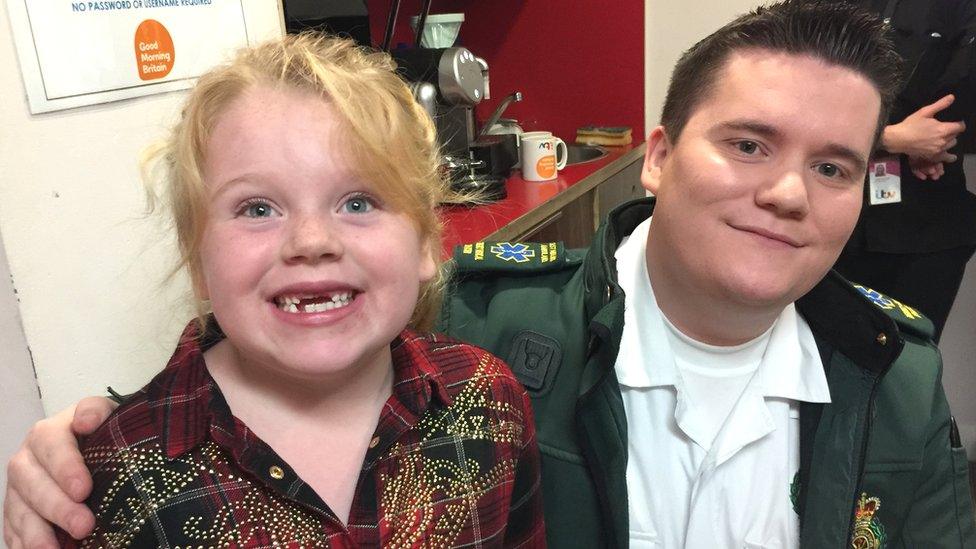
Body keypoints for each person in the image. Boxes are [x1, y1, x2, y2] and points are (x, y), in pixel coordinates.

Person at [5, 2, 976, 548]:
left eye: (834, 166)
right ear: (657, 154)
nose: (788, 195)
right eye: (749, 143)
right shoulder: (497, 325)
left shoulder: (894, 373)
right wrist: (87, 446)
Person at [5, 33, 545, 548]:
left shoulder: (489, 399)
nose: (311, 241)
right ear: (198, 259)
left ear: (426, 241)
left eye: (358, 202)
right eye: (257, 209)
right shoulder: (107, 481)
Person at [834, 0, 976, 342]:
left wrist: (939, 139)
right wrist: (893, 138)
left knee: (906, 368)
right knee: (818, 358)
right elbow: (793, 108)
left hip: (926, 228)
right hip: (832, 215)